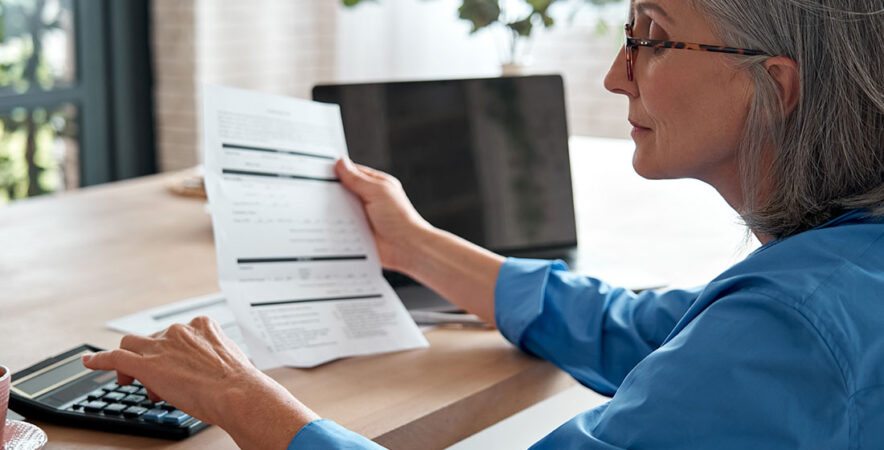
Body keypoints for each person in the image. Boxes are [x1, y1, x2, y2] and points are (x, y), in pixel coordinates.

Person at [83, 0, 884, 448]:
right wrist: (412, 242)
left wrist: (243, 398)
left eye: (655, 38)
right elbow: (639, 329)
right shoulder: (837, 274)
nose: (615, 73)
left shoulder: (793, 328)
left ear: (774, 86)